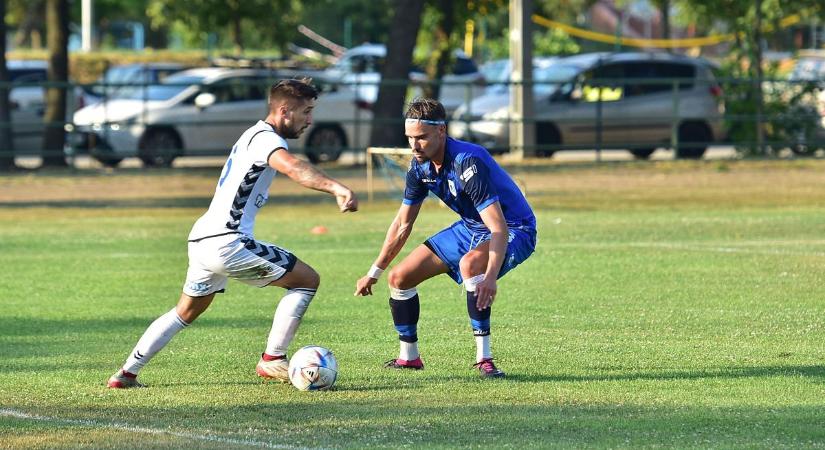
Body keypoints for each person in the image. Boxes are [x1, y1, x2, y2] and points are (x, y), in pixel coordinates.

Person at [108, 78, 358, 389]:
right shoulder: (266, 140)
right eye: (306, 112)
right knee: (307, 280)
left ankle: (126, 374)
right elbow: (293, 167)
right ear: (284, 111)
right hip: (228, 241)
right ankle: (272, 360)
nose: (310, 120)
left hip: (202, 240)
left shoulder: (251, 135)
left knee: (185, 311)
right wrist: (337, 187)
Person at [354, 98, 536, 378]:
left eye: (422, 138)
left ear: (442, 131)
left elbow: (498, 228)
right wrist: (374, 272)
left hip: (515, 228)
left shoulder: (468, 162)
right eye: (410, 138)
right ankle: (409, 357)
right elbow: (403, 225)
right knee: (400, 278)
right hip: (471, 227)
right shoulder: (418, 168)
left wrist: (488, 277)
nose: (414, 146)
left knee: (471, 265)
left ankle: (484, 359)